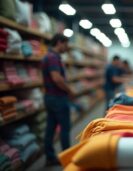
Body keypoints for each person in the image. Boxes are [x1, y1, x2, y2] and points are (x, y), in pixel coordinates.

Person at [41, 34, 74, 166]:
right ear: (59, 42)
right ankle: (67, 157)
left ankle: (50, 157)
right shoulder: (53, 57)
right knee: (65, 128)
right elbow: (56, 78)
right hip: (57, 98)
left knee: (51, 128)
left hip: (50, 97)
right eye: (66, 44)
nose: (67, 47)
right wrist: (69, 90)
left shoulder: (49, 57)